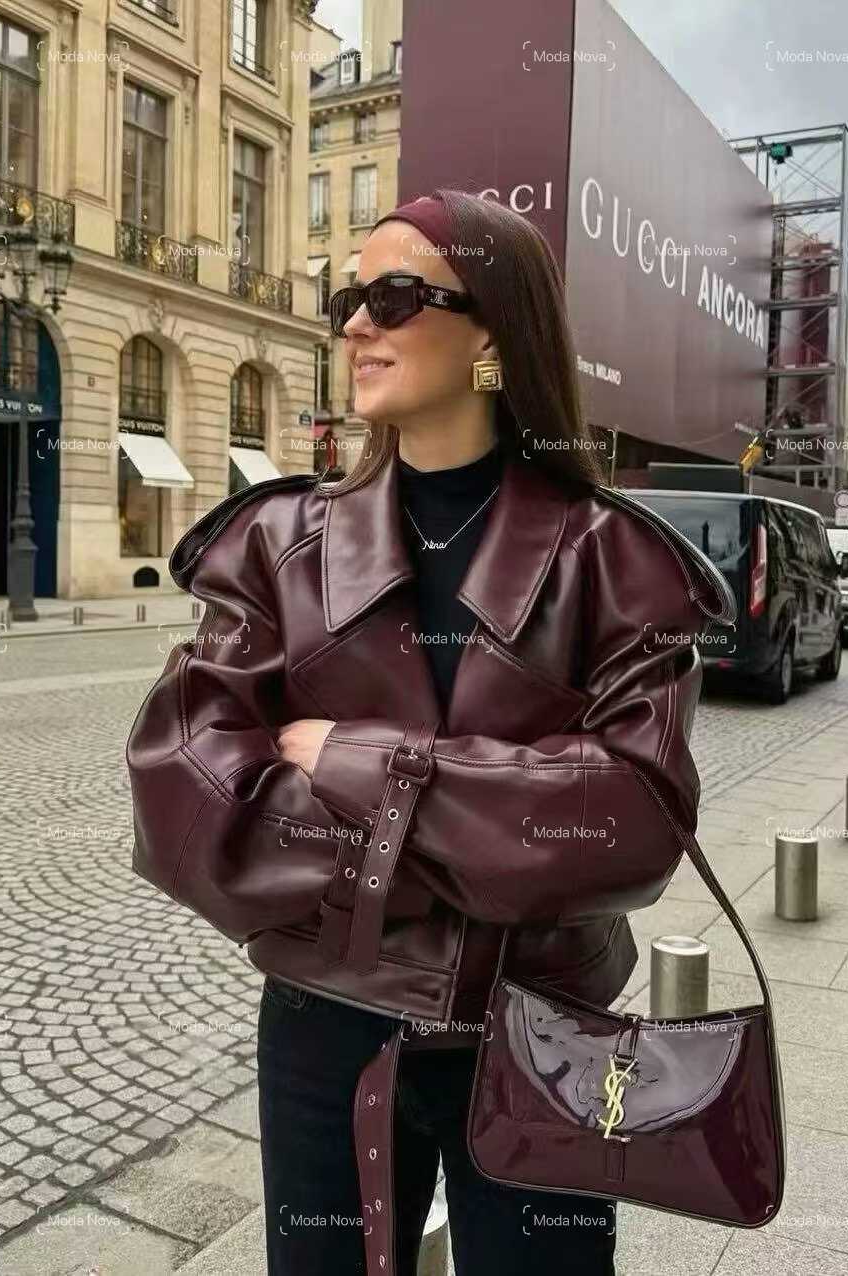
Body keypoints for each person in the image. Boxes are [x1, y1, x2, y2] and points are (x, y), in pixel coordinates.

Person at [126, 188, 733, 1276]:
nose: (357, 323)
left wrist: (357, 762)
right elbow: (184, 788)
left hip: (543, 1031)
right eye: (349, 299)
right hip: (326, 1030)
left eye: (398, 296)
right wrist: (499, 821)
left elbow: (633, 818)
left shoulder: (614, 560)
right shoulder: (278, 545)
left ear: (494, 330)